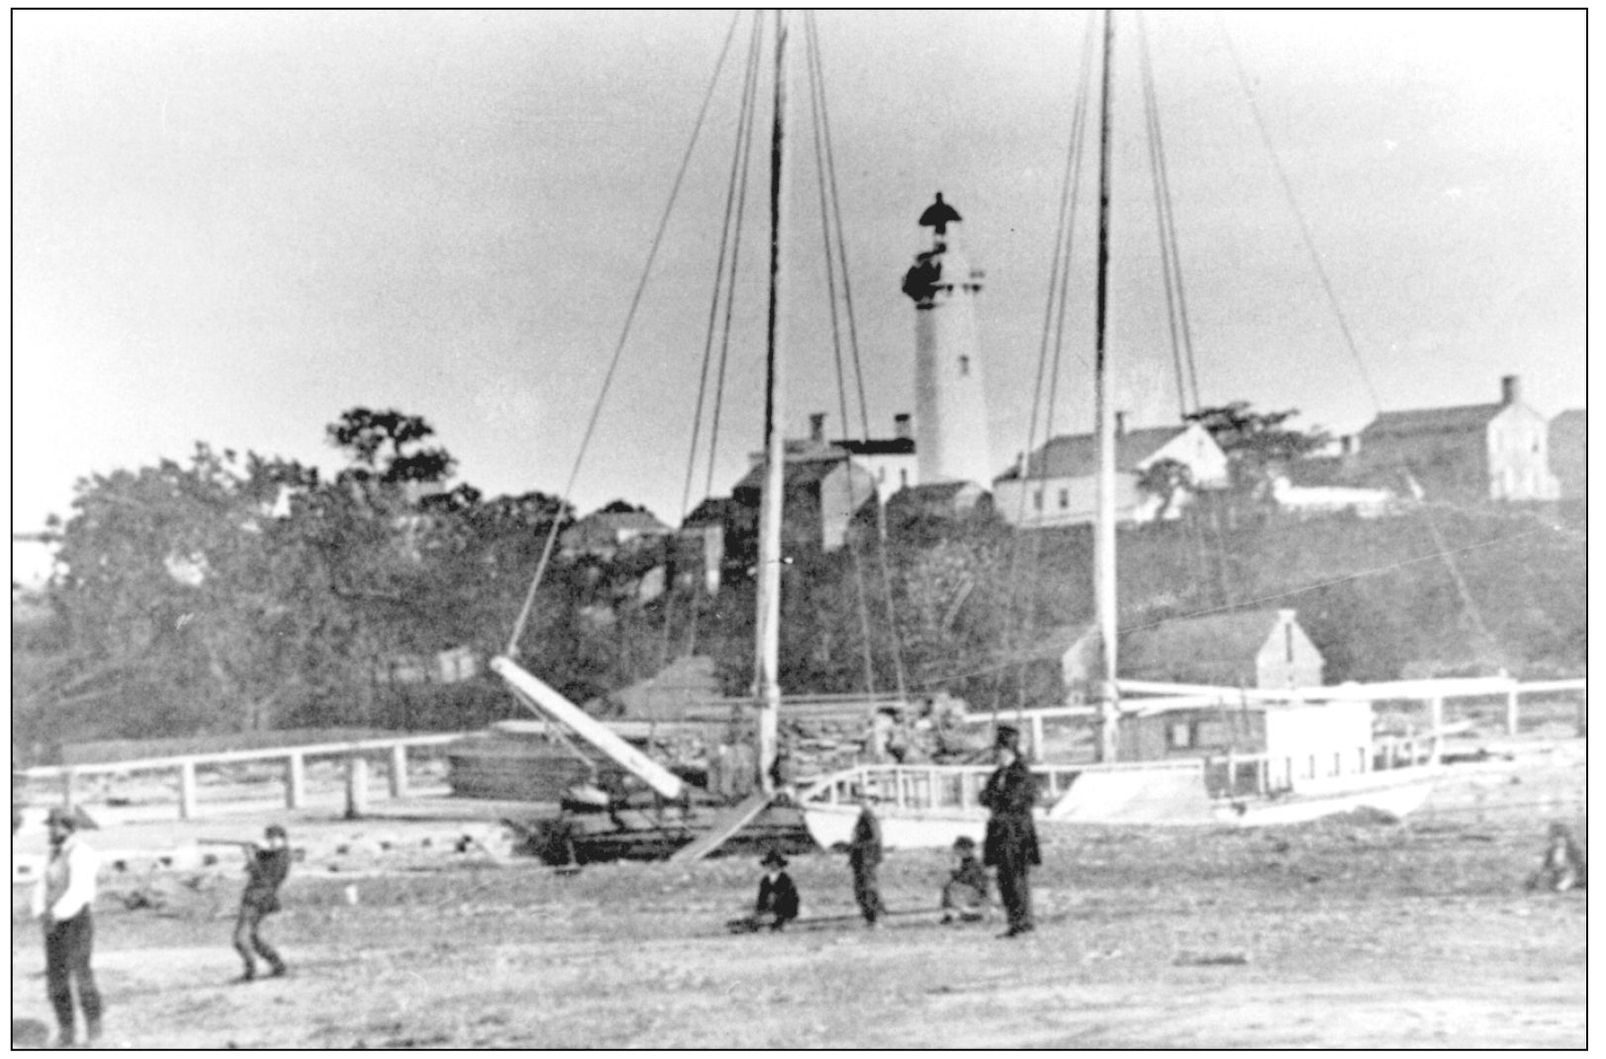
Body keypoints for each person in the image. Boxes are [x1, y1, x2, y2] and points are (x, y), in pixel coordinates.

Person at [31, 805, 102, 1047]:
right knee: (56, 980)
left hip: (76, 921)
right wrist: (41, 911)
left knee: (81, 977)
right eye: (50, 825)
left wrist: (57, 913)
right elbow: (42, 885)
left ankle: (94, 1033)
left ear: (67, 828)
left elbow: (79, 891)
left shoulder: (83, 854)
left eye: (54, 825)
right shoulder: (52, 854)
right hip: (54, 923)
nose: (50, 830)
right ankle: (67, 1031)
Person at [980, 725, 1041, 938]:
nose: (998, 756)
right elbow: (984, 797)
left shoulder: (1021, 773)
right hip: (999, 832)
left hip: (1016, 833)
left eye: (1001, 752)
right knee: (1004, 879)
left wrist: (997, 799)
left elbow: (1015, 799)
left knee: (1017, 879)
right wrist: (996, 798)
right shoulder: (998, 774)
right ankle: (1014, 920)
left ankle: (1023, 921)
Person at [234, 824, 292, 982]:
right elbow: (250, 869)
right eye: (269, 838)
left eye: (274, 838)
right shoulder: (272, 853)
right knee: (252, 937)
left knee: (239, 940)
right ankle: (278, 964)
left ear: (282, 839)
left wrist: (251, 856)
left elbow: (262, 877)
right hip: (259, 898)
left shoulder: (283, 856)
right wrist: (257, 852)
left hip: (258, 899)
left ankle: (250, 971)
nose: (271, 842)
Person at [847, 791, 885, 928]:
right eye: (861, 798)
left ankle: (873, 918)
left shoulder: (869, 816)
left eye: (866, 798)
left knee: (867, 888)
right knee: (863, 888)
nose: (862, 801)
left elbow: (875, 837)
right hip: (863, 858)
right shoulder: (864, 816)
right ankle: (870, 918)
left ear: (872, 801)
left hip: (866, 858)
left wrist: (857, 845)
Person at [940, 835, 990, 924]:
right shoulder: (967, 862)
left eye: (958, 849)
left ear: (966, 850)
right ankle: (955, 913)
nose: (956, 852)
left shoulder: (974, 864)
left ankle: (957, 913)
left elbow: (969, 879)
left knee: (950, 887)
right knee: (949, 887)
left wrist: (954, 873)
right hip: (973, 894)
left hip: (975, 894)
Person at [1527, 822, 1587, 893]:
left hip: (1571, 875)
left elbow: (1579, 867)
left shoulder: (1574, 851)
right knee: (1541, 876)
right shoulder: (1551, 851)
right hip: (1556, 874)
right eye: (1556, 839)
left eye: (1561, 838)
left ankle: (1561, 887)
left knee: (1569, 878)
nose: (1559, 841)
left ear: (1567, 839)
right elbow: (1546, 866)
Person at [753, 849, 800, 931]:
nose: (773, 866)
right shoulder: (765, 880)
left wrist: (777, 901)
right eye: (770, 863)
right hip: (769, 911)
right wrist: (760, 910)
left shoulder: (785, 879)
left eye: (775, 863)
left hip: (785, 910)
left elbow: (792, 897)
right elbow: (761, 897)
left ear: (779, 865)